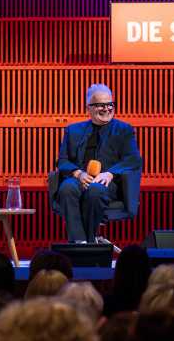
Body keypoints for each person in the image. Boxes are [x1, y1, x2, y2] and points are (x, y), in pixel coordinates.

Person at [55, 83, 142, 243]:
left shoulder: (124, 130)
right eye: (100, 105)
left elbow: (133, 159)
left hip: (108, 183)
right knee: (67, 188)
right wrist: (78, 173)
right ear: (88, 108)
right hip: (80, 179)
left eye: (110, 104)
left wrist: (110, 173)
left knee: (95, 190)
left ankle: (88, 243)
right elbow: (62, 160)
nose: (107, 108)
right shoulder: (73, 130)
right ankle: (79, 242)